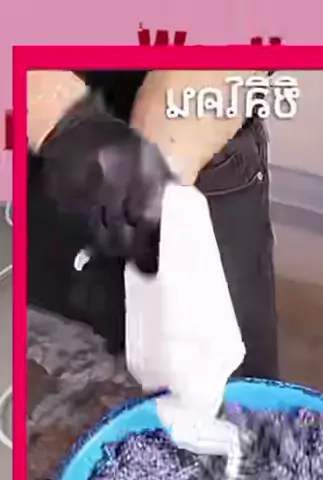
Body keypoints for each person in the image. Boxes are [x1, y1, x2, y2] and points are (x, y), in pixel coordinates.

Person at [27, 69, 278, 380]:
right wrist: (63, 121)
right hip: (32, 154)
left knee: (231, 382)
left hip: (193, 150)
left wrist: (162, 167)